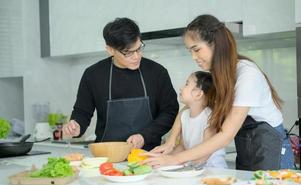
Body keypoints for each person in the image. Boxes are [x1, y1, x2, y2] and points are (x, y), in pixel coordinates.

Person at [145, 14, 294, 170]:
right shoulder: (220, 74)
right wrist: (171, 140)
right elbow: (187, 109)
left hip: (269, 144)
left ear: (215, 44)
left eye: (196, 49)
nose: (194, 57)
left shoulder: (247, 75)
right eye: (191, 51)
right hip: (246, 145)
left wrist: (174, 159)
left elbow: (226, 135)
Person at [63, 17, 179, 151]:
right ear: (110, 50)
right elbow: (82, 111)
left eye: (139, 48)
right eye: (128, 53)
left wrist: (144, 136)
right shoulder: (93, 75)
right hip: (107, 157)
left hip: (148, 155)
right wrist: (76, 125)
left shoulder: (157, 72)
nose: (136, 56)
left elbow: (170, 112)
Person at [171, 71, 227, 168]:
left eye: (187, 84)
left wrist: (176, 162)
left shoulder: (210, 117)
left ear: (198, 94)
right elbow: (182, 146)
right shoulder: (184, 115)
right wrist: (166, 159)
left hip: (215, 171)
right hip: (193, 169)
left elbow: (204, 154)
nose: (181, 88)